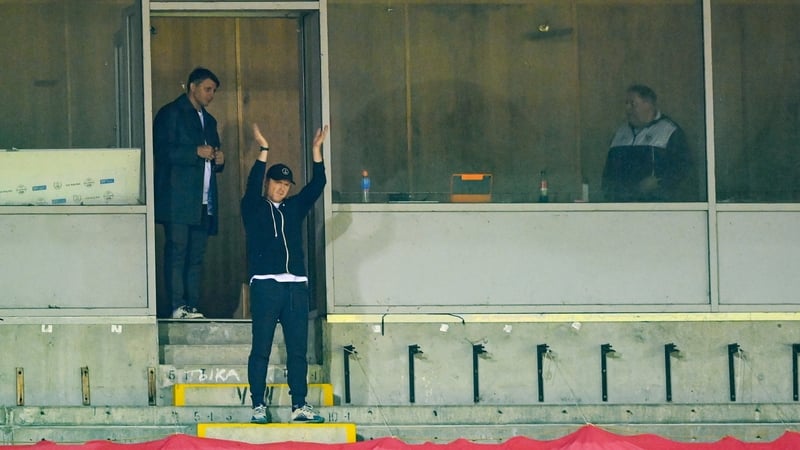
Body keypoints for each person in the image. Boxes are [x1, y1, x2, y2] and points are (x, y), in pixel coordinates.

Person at [241, 122, 329, 424]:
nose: (282, 187)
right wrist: (263, 150)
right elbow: (252, 184)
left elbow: (317, 187)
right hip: (266, 286)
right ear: (269, 183)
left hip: (296, 288)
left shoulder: (293, 208)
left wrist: (317, 152)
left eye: (286, 184)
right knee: (261, 349)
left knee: (297, 351)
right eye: (277, 182)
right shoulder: (253, 207)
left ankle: (299, 405)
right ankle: (258, 405)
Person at [153, 67, 225, 319]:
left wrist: (219, 159)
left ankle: (191, 305)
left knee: (196, 256)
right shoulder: (171, 113)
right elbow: (160, 152)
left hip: (203, 200)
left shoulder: (210, 120)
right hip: (178, 199)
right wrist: (194, 151)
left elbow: (213, 154)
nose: (211, 95)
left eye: (213, 90)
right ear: (191, 87)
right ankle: (176, 305)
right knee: (177, 252)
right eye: (207, 89)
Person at [601, 84, 694, 202]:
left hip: (656, 206)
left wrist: (660, 181)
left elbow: (683, 167)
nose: (627, 108)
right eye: (626, 103)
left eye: (632, 104)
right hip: (621, 206)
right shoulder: (621, 132)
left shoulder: (669, 131)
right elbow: (608, 172)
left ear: (648, 104)